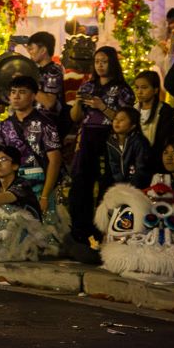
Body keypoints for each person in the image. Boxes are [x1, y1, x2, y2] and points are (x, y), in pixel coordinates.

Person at [67, 46, 133, 250]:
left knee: (106, 183)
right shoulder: (88, 87)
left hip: (108, 137)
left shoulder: (123, 89)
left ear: (112, 62)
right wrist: (78, 102)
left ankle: (102, 231)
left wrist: (102, 106)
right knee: (80, 183)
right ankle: (80, 231)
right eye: (97, 61)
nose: (100, 65)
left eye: (104, 61)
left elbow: (125, 119)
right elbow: (75, 118)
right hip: (86, 137)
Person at [0, 74, 62, 213]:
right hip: (12, 185)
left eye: (22, 92)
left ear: (33, 96)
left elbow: (55, 161)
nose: (16, 96)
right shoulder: (5, 125)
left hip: (39, 183)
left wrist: (44, 197)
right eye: (13, 92)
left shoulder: (45, 124)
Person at [25, 32, 67, 131]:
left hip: (48, 127)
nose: (30, 52)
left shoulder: (54, 71)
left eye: (32, 49)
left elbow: (49, 103)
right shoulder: (36, 71)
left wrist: (27, 85)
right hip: (33, 125)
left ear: (43, 50)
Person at [102, 106, 152, 189]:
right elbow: (111, 167)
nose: (117, 122)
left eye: (121, 120)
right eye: (115, 119)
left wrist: (130, 188)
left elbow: (141, 169)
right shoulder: (110, 141)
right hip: (116, 187)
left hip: (136, 188)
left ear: (133, 125)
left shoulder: (139, 142)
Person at [131, 70, 174, 156]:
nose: (139, 92)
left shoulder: (164, 110)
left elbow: (165, 138)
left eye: (144, 88)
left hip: (156, 157)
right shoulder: (134, 109)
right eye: (137, 88)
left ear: (155, 90)